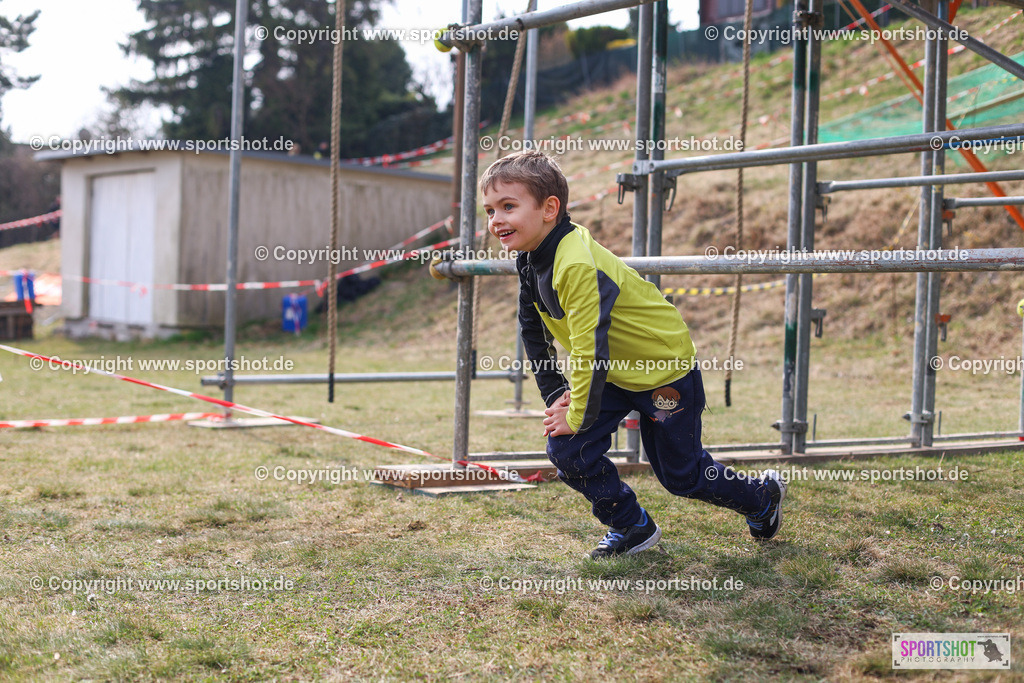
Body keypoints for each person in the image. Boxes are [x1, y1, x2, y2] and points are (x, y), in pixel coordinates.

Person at [480, 150, 787, 559]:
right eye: (489, 210)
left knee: (683, 477)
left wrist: (577, 414)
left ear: (549, 208)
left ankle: (761, 497)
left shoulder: (574, 262)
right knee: (567, 449)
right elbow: (531, 329)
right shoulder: (531, 258)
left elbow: (590, 345)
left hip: (662, 370)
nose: (495, 220)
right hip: (613, 373)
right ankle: (632, 526)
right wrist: (556, 395)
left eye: (508, 206)